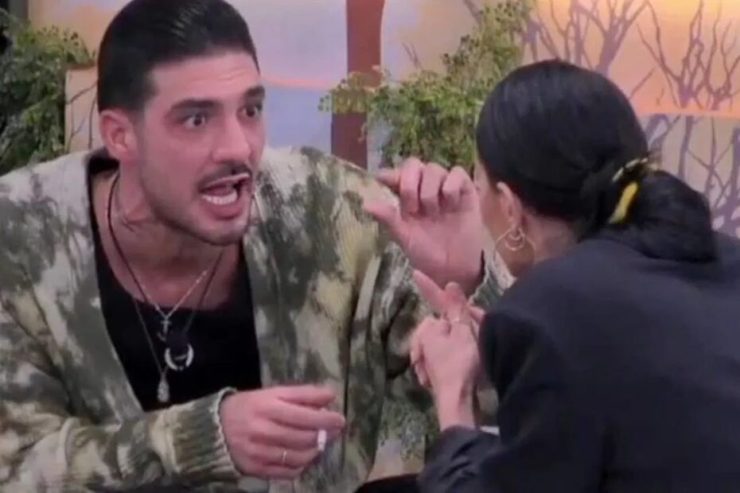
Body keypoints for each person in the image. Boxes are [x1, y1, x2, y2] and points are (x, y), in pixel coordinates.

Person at [0, 0, 501, 491]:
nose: (238, 147)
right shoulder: (19, 237)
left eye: (250, 110)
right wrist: (202, 438)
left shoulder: (328, 211)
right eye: (196, 120)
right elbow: (16, 468)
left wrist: (464, 282)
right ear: (120, 136)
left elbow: (499, 397)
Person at [410, 59, 740, 492]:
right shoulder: (724, 259)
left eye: (478, 183)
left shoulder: (545, 310)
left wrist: (453, 395)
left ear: (509, 205)